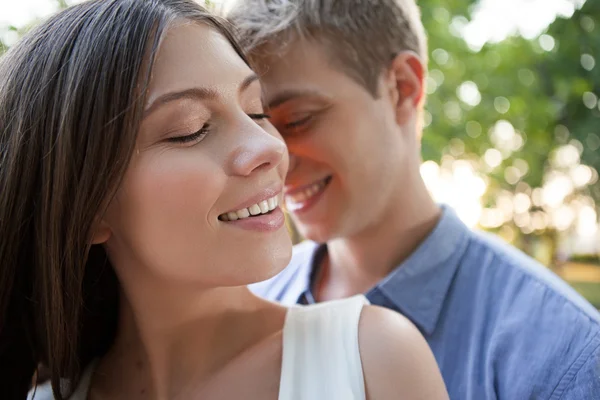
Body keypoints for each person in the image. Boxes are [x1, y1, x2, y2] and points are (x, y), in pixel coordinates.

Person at [0, 0, 449, 399]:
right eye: (190, 129)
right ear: (90, 207)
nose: (272, 147)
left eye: (256, 111)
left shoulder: (371, 359)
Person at [228, 1, 600, 399]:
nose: (273, 158)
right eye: (254, 126)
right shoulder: (249, 302)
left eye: (297, 120)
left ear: (402, 88)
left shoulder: (563, 354)